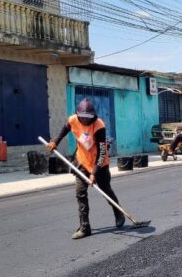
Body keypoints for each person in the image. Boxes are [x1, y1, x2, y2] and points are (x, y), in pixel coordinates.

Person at [45, 98, 124, 240]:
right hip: (82, 161)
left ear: (94, 116)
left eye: (89, 118)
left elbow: (101, 152)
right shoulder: (73, 120)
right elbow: (63, 131)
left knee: (106, 190)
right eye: (83, 118)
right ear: (78, 115)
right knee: (80, 193)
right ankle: (85, 227)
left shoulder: (99, 125)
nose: (86, 121)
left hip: (99, 164)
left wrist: (94, 173)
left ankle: (118, 212)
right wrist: (54, 141)